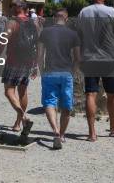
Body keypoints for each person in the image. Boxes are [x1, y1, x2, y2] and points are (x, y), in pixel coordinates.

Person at [77, 0, 114, 141]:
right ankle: (113, 127)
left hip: (90, 57)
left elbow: (79, 33)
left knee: (90, 94)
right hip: (108, 57)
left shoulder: (84, 12)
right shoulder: (110, 11)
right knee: (112, 94)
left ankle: (92, 133)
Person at [0, 0, 38, 137]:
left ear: (18, 7)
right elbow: (37, 44)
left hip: (14, 60)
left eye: (12, 5)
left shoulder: (12, 22)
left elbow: (2, 41)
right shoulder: (33, 22)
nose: (10, 8)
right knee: (23, 92)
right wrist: (35, 64)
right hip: (28, 61)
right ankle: (17, 124)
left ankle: (23, 118)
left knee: (9, 91)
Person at [36, 8, 81, 149]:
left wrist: (41, 70)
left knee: (50, 102)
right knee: (66, 106)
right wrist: (73, 72)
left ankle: (55, 130)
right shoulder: (73, 34)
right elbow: (77, 58)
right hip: (66, 72)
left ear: (54, 18)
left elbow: (40, 54)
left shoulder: (45, 32)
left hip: (50, 71)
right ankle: (61, 135)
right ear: (66, 19)